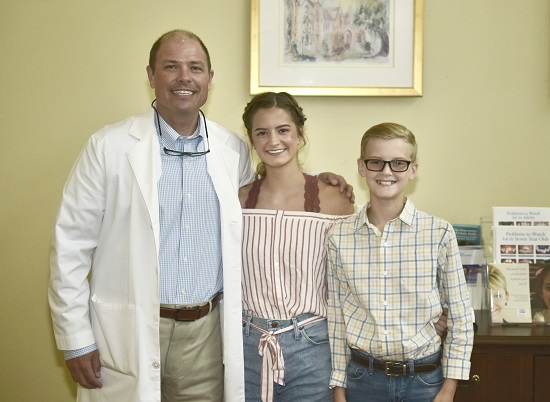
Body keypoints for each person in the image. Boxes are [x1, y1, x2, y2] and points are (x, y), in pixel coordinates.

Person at [48, 30, 352, 402]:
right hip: (130, 330)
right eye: (171, 66)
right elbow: (70, 247)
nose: (184, 77)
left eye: (195, 67)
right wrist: (76, 340)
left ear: (210, 78)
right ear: (150, 75)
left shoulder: (231, 151)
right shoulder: (108, 147)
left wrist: (320, 182)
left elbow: (269, 192)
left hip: (206, 335)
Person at [326, 122, 474, 402]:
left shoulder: (439, 233)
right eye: (376, 162)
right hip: (362, 381)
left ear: (413, 169)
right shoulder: (339, 236)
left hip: (425, 381)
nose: (386, 172)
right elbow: (337, 319)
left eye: (398, 163)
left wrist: (449, 387)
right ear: (361, 167)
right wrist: (339, 387)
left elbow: (461, 317)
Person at [238, 92, 355, 402]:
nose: (273, 140)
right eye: (262, 132)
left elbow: (349, 281)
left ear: (300, 133)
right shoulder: (236, 201)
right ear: (251, 139)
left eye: (283, 130)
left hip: (313, 348)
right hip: (248, 347)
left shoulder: (334, 199)